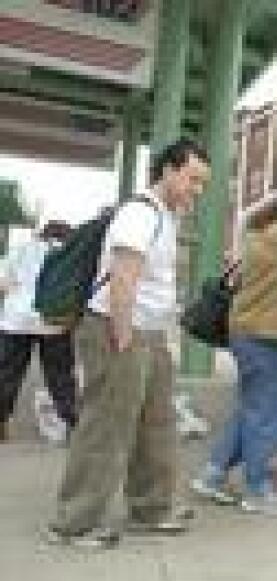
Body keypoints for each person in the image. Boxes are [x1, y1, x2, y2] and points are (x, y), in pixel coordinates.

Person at [47, 139, 210, 548]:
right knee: (107, 425)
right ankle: (74, 523)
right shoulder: (138, 214)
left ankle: (151, 506)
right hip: (118, 328)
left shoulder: (165, 216)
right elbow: (123, 279)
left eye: (202, 183)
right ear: (168, 171)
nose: (197, 190)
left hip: (148, 333)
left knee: (156, 423)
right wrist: (122, 336)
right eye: (192, 179)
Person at [191, 184, 277, 516]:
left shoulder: (261, 233)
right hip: (265, 336)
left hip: (252, 333)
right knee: (268, 416)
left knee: (251, 410)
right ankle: (258, 489)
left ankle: (212, 474)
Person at [0, 221, 77, 443]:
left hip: (16, 320)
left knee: (7, 373)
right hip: (53, 320)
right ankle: (72, 423)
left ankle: (1, 423)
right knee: (60, 374)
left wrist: (18, 292)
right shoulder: (68, 253)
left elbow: (3, 282)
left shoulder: (20, 250)